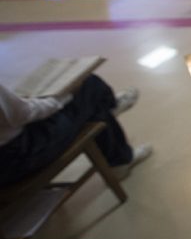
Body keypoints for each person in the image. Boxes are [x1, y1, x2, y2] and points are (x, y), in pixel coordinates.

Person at [0, 75, 152, 186]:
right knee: (88, 85)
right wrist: (63, 97)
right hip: (17, 157)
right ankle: (120, 161)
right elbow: (25, 114)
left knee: (86, 100)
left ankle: (107, 109)